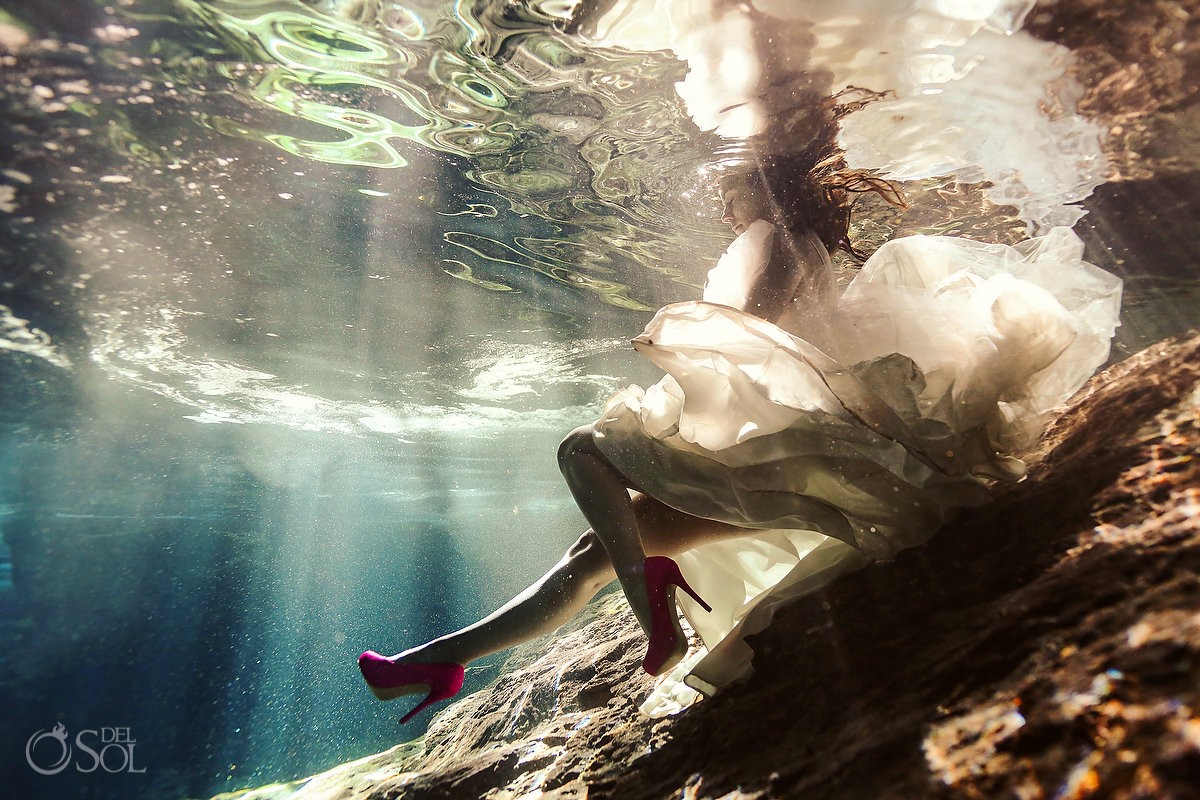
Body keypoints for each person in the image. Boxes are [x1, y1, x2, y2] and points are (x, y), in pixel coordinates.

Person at [357, 150, 1122, 724]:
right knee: (594, 546)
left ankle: (631, 605)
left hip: (795, 455)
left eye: (735, 189)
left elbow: (753, 343)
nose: (726, 204)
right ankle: (440, 661)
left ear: (769, 187)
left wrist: (674, 353)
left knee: (580, 454)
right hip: (787, 450)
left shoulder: (782, 244)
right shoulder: (788, 244)